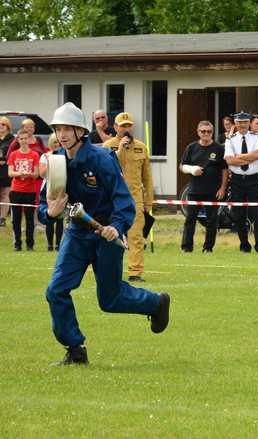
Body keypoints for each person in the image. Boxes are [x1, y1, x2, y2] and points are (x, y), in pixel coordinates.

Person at [39, 102, 170, 366]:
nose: (62, 134)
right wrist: (50, 213)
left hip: (107, 233)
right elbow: (44, 206)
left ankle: (155, 303)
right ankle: (75, 350)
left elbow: (124, 202)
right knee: (55, 291)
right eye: (58, 129)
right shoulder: (56, 162)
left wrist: (117, 227)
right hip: (77, 232)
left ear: (80, 131)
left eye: (68, 128)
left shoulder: (102, 160)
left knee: (109, 300)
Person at [103, 112, 154, 283]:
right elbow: (104, 170)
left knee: (136, 237)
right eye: (122, 125)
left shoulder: (141, 147)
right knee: (111, 236)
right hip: (112, 199)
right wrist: (120, 150)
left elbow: (147, 177)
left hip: (135, 198)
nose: (126, 129)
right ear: (115, 127)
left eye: (128, 125)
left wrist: (149, 200)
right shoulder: (107, 146)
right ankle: (108, 270)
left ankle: (135, 272)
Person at [179, 120, 228, 253]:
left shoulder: (219, 148)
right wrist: (191, 169)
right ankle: (186, 247)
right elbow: (182, 166)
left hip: (213, 191)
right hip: (194, 190)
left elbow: (225, 170)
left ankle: (208, 248)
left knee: (211, 221)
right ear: (198, 132)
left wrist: (223, 188)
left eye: (209, 131)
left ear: (212, 132)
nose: (206, 133)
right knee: (190, 219)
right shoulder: (191, 147)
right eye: (203, 131)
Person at [224, 111, 258, 253]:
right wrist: (248, 157)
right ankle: (244, 245)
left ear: (249, 123)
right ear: (235, 124)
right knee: (239, 215)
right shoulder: (230, 139)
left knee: (257, 214)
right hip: (237, 181)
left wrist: (240, 156)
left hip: (253, 180)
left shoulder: (256, 137)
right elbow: (229, 160)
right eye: (239, 122)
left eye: (244, 122)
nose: (242, 125)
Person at [7, 129, 39, 251]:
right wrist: (19, 173)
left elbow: (36, 174)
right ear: (18, 140)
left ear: (29, 139)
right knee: (16, 219)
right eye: (22, 139)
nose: (24, 141)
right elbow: (10, 173)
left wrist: (29, 174)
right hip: (16, 190)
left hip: (30, 191)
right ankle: (17, 244)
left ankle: (30, 244)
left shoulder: (34, 155)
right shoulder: (14, 154)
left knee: (30, 219)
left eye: (26, 138)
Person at [41, 136, 64, 251]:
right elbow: (42, 174)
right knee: (50, 216)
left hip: (61, 188)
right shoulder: (45, 156)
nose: (57, 144)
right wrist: (51, 163)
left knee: (60, 218)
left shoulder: (64, 156)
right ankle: (50, 244)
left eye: (58, 142)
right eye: (54, 142)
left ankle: (59, 244)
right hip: (49, 188)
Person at [0, 116, 15, 226]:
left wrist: (5, 160)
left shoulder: (12, 140)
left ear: (8, 127)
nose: (0, 126)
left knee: (5, 193)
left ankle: (2, 218)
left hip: (6, 170)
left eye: (3, 124)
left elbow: (13, 154)